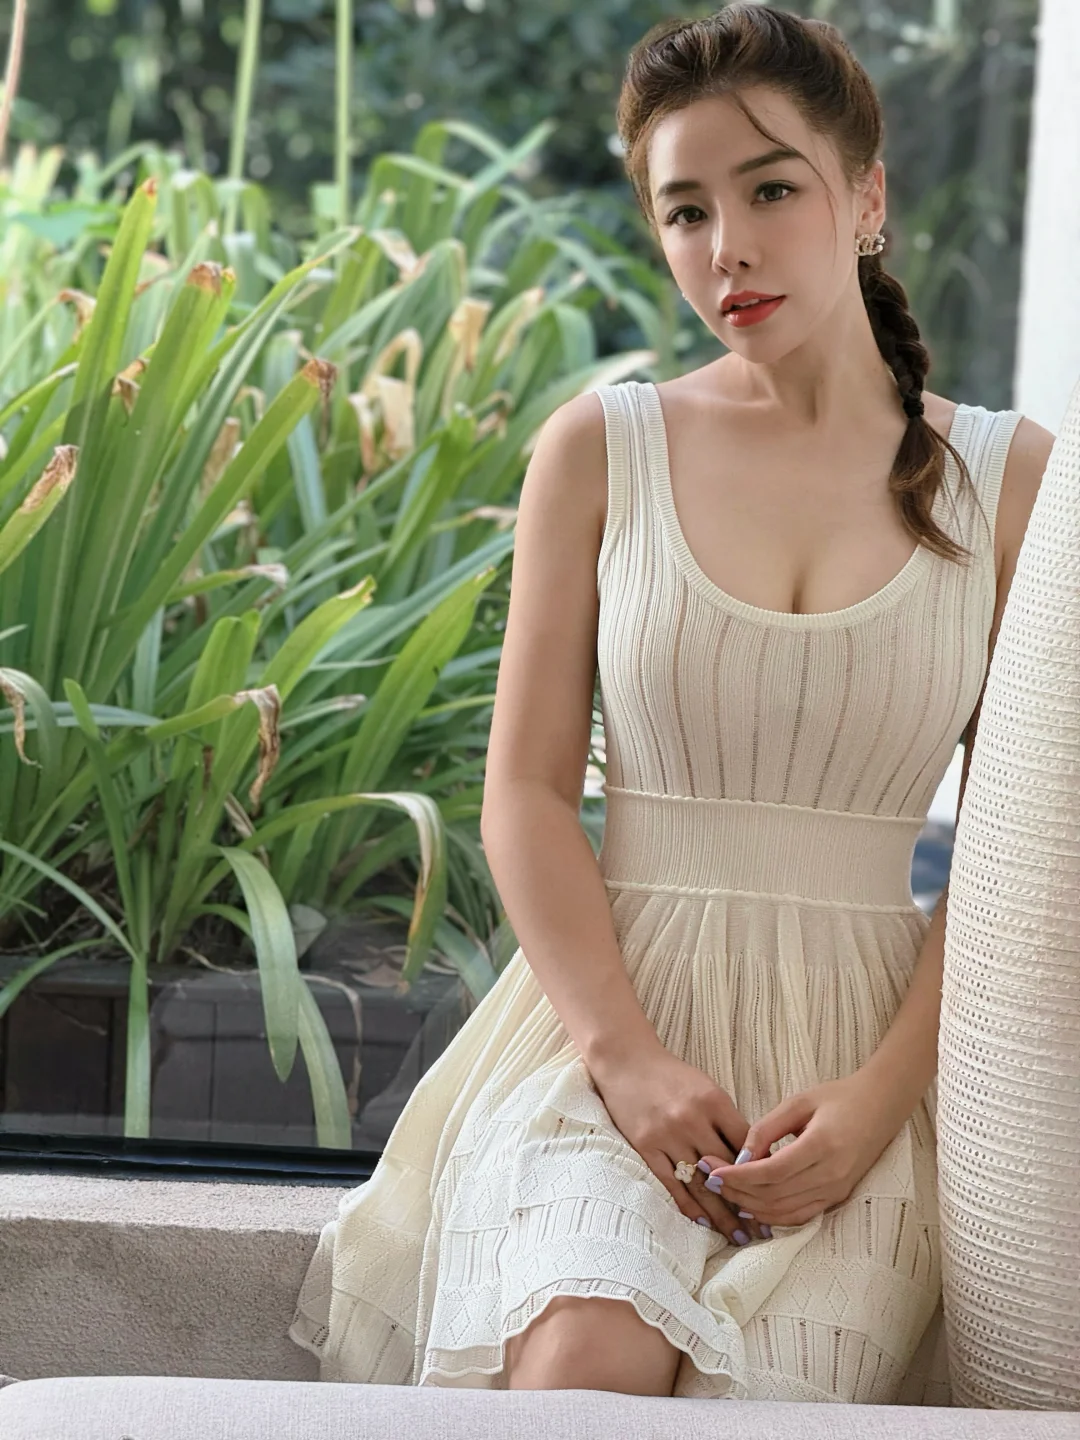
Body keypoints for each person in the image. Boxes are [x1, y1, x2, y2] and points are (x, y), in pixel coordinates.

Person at [290, 3, 1054, 1402]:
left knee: (768, 1404)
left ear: (867, 198)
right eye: (686, 211)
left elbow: (1026, 857)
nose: (728, 248)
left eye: (771, 191)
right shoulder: (602, 451)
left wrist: (881, 1099)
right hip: (606, 1038)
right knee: (582, 1354)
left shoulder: (1012, 487)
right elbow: (527, 791)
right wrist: (628, 1063)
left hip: (864, 1072)